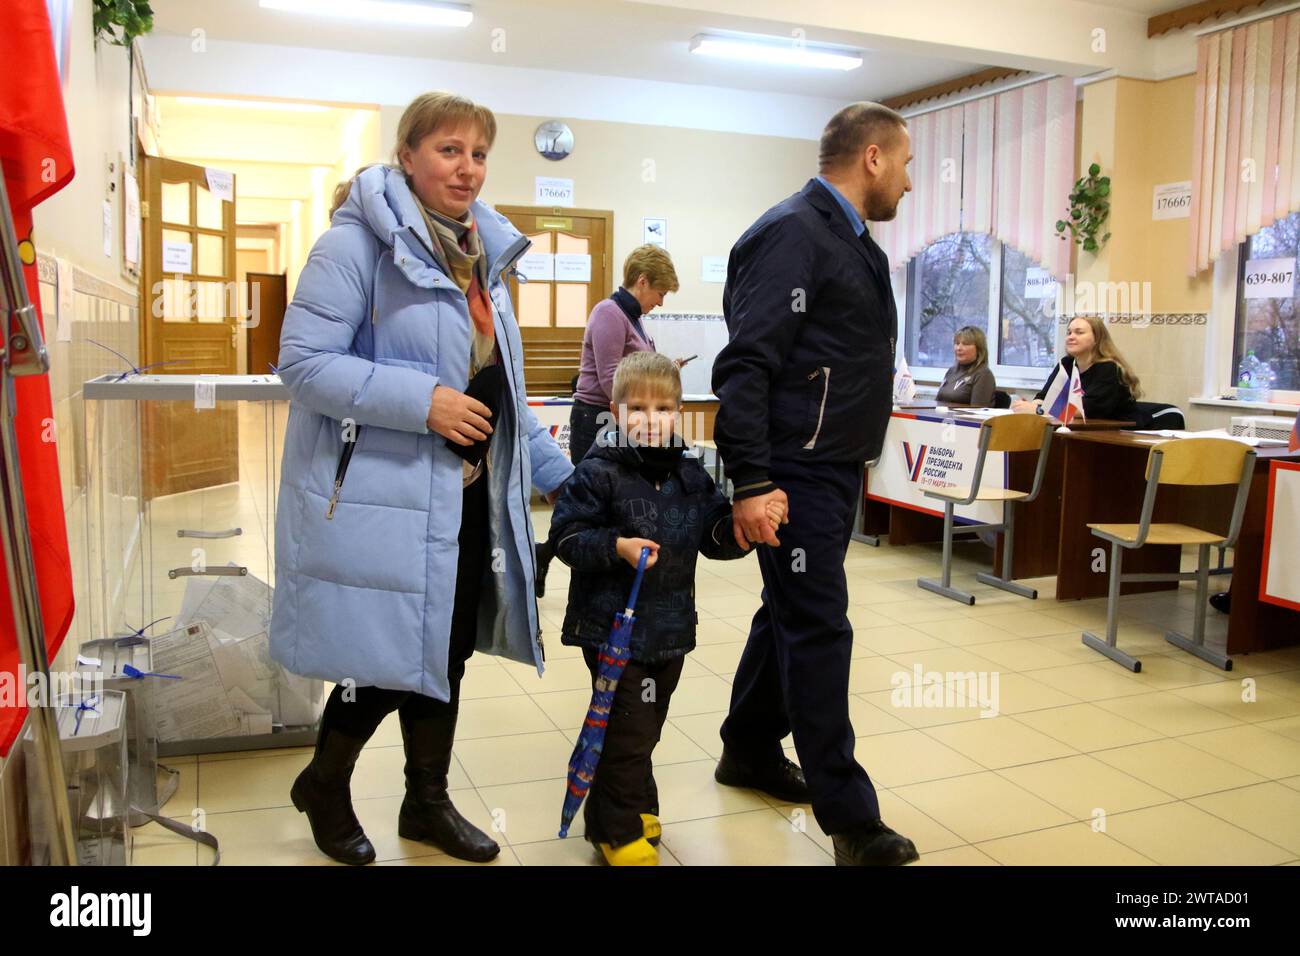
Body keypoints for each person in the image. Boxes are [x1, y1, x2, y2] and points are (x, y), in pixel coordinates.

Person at [269, 92, 572, 866]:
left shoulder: (483, 256)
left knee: (447, 647)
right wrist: (424, 403)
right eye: (448, 149)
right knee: (389, 648)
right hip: (387, 491)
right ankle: (326, 782)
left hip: (468, 495)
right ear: (406, 156)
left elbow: (502, 393)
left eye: (478, 153)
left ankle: (424, 800)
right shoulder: (356, 246)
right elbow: (302, 365)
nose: (467, 168)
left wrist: (563, 481)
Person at [710, 102, 920, 866]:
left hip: (829, 463)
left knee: (789, 611)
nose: (908, 181)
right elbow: (744, 366)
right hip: (794, 470)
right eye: (904, 162)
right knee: (818, 627)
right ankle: (851, 820)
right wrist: (752, 479)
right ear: (871, 157)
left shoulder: (847, 238)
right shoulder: (795, 231)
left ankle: (747, 748)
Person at [548, 352, 778, 865]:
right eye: (638, 408)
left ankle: (634, 805)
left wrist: (747, 530)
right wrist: (616, 547)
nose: (651, 420)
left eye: (663, 409)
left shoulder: (690, 474)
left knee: (647, 724)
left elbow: (715, 534)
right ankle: (614, 829)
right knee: (627, 727)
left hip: (670, 627)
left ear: (679, 412)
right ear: (614, 410)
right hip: (611, 630)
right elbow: (566, 537)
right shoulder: (597, 471)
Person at [536, 245, 682, 597]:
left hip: (618, 416)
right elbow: (610, 379)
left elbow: (631, 372)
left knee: (609, 504)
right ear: (642, 281)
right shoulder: (609, 313)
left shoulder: (633, 319)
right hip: (599, 417)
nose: (661, 302)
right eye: (660, 292)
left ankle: (550, 554)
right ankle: (556, 554)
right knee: (589, 502)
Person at [1012, 315, 1143, 422]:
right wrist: (1030, 406)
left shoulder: (1109, 369)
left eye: (1079, 333)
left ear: (1097, 339)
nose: (1071, 337)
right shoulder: (1067, 363)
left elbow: (1084, 409)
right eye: (1069, 332)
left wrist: (1037, 410)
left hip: (1120, 433)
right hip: (1081, 431)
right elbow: (1044, 397)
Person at [936, 325, 996, 406]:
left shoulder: (983, 374)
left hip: (963, 418)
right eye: (957, 343)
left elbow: (977, 412)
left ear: (979, 349)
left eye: (965, 344)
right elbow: (937, 403)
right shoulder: (951, 371)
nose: (959, 348)